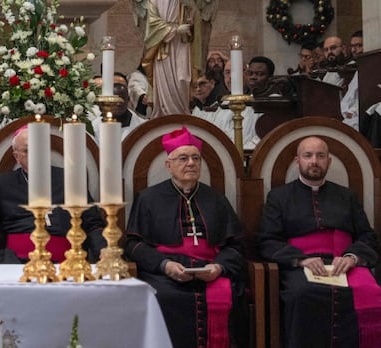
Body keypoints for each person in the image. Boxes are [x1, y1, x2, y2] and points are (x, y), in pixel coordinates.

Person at [125, 127, 246, 348]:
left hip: (210, 270)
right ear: (168, 165)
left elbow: (235, 246)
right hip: (167, 273)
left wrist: (218, 267)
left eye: (195, 158)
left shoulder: (216, 199)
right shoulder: (149, 198)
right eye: (183, 158)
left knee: (232, 296)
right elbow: (133, 244)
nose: (190, 163)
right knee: (164, 297)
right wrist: (164, 265)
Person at [258, 136, 381, 347]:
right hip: (301, 267)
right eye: (308, 156)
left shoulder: (346, 196)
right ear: (298, 161)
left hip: (344, 265)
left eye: (320, 156)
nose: (314, 161)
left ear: (329, 161)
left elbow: (367, 236)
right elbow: (268, 240)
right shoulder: (279, 197)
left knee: (372, 292)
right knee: (301, 293)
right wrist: (300, 259)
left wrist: (352, 257)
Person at [0, 126, 105, 264]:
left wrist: (102, 252)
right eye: (27, 150)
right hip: (17, 262)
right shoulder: (4, 183)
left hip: (66, 262)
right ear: (17, 157)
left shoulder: (69, 179)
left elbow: (93, 224)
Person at [139, 0, 194, 117]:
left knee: (182, 79)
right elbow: (153, 25)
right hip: (162, 47)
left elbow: (194, 16)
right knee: (165, 83)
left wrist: (190, 17)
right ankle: (164, 116)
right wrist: (176, 30)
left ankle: (182, 115)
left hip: (181, 45)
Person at [90, 72, 147, 140]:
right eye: (115, 99)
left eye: (122, 98)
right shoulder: (94, 127)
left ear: (128, 99)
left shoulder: (142, 126)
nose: (118, 103)